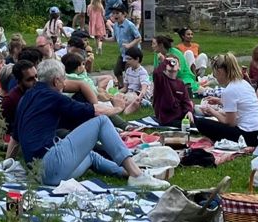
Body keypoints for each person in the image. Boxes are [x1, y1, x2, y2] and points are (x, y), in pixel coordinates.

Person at [16, 58, 167, 188]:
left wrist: (8, 162)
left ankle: (127, 172)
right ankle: (137, 176)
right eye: (63, 80)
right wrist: (118, 108)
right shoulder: (52, 97)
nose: (65, 84)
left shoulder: (25, 98)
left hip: (37, 173)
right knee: (101, 122)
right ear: (56, 81)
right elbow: (94, 111)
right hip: (50, 164)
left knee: (90, 155)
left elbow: (15, 138)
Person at [194, 53, 258, 147]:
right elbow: (240, 104)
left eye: (215, 74)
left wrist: (212, 111)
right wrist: (220, 101)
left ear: (220, 72)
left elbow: (230, 122)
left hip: (247, 136)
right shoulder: (244, 83)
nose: (215, 77)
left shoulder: (229, 90)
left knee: (201, 122)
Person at [153, 53, 196, 127]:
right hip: (166, 118)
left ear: (179, 67)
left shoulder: (180, 83)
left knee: (199, 122)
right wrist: (164, 61)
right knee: (189, 126)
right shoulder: (161, 80)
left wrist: (189, 111)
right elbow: (156, 73)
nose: (171, 64)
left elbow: (185, 100)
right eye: (169, 62)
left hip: (180, 115)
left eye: (174, 62)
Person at [114, 47, 151, 113]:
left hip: (139, 95)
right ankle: (123, 108)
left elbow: (144, 90)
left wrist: (139, 98)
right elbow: (125, 88)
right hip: (130, 93)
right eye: (126, 59)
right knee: (119, 96)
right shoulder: (128, 71)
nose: (127, 61)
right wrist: (115, 93)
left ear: (137, 59)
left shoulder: (142, 72)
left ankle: (131, 106)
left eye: (129, 59)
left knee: (128, 98)